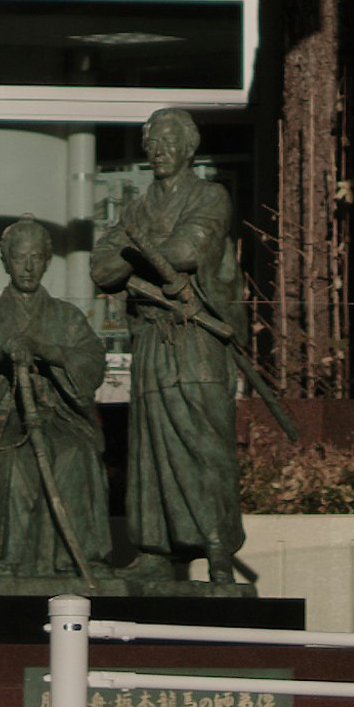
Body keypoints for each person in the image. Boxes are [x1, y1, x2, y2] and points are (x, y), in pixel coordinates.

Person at [94, 108, 248, 590]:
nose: (158, 149)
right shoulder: (137, 207)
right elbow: (102, 271)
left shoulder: (210, 196)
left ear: (188, 148)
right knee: (151, 447)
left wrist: (133, 257)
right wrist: (146, 259)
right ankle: (154, 549)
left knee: (204, 442)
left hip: (197, 338)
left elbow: (188, 252)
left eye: (168, 140)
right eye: (151, 141)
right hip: (152, 342)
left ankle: (216, 547)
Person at [0, 216, 111, 593]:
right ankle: (1, 559)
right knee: (10, 459)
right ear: (6, 261)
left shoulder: (65, 316)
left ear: (48, 260)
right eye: (20, 258)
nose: (29, 267)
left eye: (36, 257)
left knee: (76, 455)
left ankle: (76, 558)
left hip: (59, 417)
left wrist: (48, 350)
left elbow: (92, 361)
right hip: (1, 419)